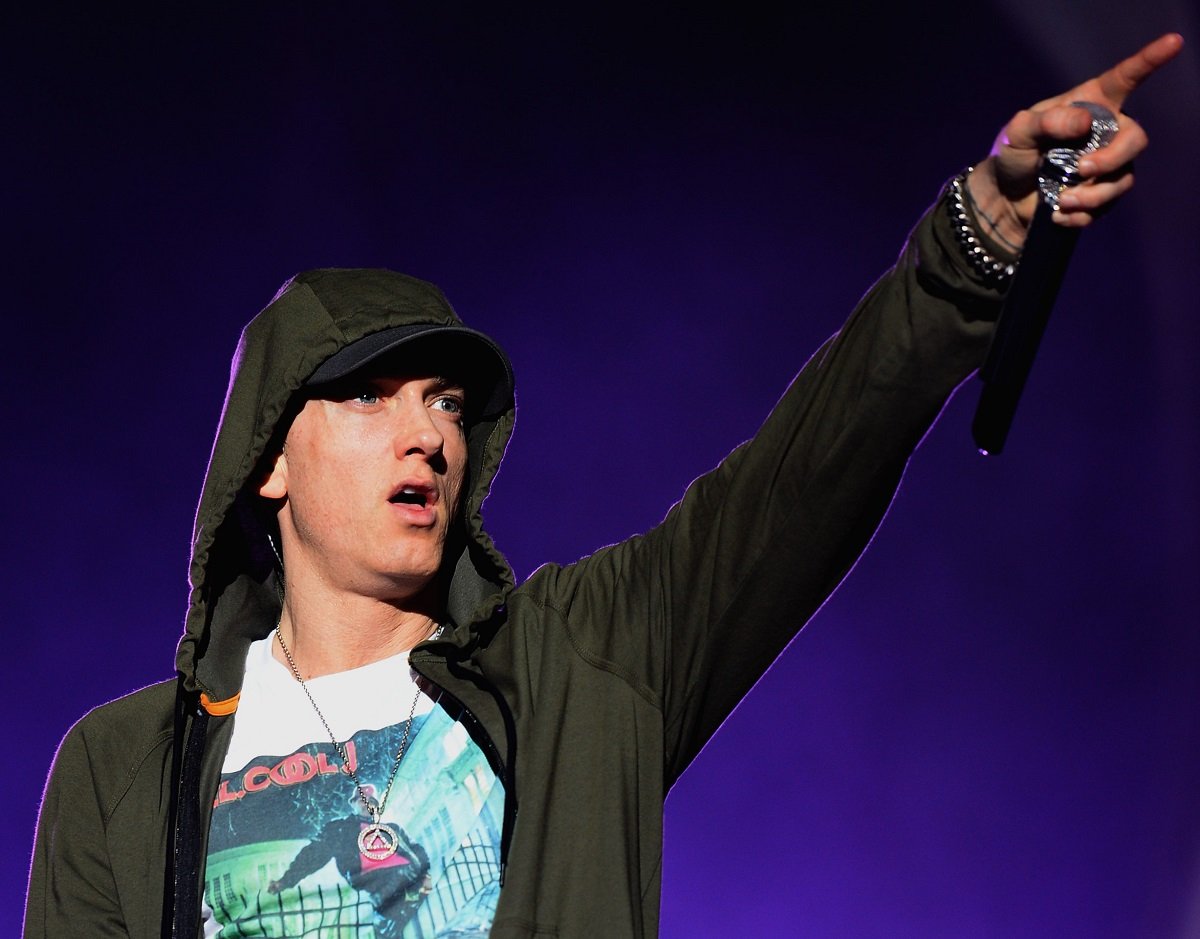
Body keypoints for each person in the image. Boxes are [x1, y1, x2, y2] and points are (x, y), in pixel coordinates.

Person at [24, 34, 1182, 939]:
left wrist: (976, 241)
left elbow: (806, 474)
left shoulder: (583, 661)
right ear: (268, 462)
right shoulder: (127, 768)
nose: (426, 435)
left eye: (447, 403)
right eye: (370, 397)